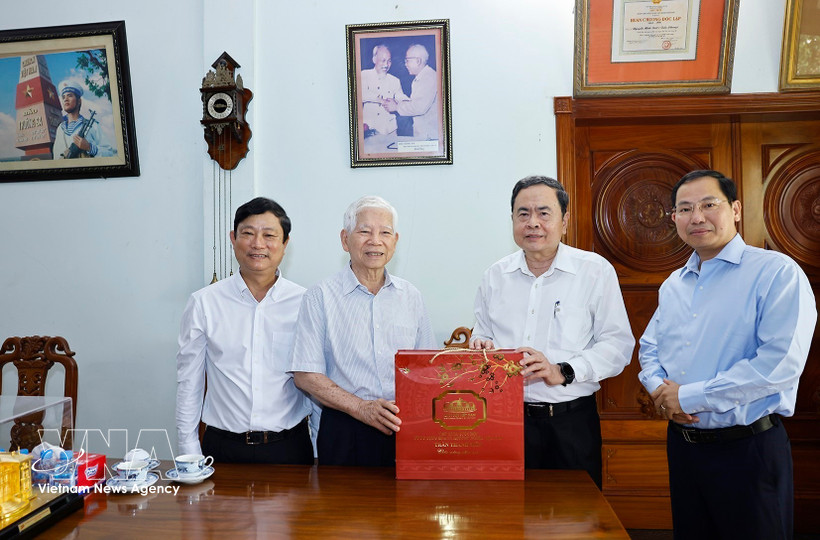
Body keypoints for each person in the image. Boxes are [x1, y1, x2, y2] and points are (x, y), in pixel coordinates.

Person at [639, 170, 816, 539]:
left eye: (708, 204)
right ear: (674, 218)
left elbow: (779, 365)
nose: (697, 217)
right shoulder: (674, 283)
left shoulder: (775, 272)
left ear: (735, 209)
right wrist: (662, 392)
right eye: (685, 208)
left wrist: (686, 396)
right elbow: (650, 347)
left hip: (748, 450)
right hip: (684, 447)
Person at [470, 175, 634, 488]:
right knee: (508, 517)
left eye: (544, 213)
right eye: (523, 214)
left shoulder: (594, 271)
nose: (533, 223)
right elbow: (483, 331)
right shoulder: (495, 275)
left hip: (570, 423)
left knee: (575, 520)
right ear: (513, 220)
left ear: (565, 221)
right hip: (504, 422)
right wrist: (482, 343)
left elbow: (617, 346)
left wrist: (562, 370)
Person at [290, 195, 436, 466]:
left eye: (385, 233)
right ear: (345, 240)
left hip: (405, 426)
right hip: (345, 427)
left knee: (406, 507)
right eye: (365, 231)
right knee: (345, 508)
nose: (375, 241)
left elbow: (428, 368)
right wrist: (361, 408)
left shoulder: (411, 296)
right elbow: (305, 375)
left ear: (395, 241)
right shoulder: (320, 296)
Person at [176, 197, 314, 464]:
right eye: (248, 234)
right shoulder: (204, 302)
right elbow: (189, 383)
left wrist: (320, 450)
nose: (258, 244)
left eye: (269, 235)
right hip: (222, 448)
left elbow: (316, 383)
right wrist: (189, 452)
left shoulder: (306, 303)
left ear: (285, 243)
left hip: (290, 449)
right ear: (233, 238)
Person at [382, 44, 439, 140]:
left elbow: (419, 107)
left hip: (430, 136)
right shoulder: (422, 77)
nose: (405, 64)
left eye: (407, 60)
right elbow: (416, 103)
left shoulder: (429, 78)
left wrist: (396, 107)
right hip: (425, 134)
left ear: (418, 61)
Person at [52, 81, 112, 159]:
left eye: (69, 96)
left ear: (79, 101)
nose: (65, 99)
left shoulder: (93, 125)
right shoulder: (61, 128)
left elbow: (109, 153)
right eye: (63, 97)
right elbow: (56, 158)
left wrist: (89, 147)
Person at [361, 45, 404, 137]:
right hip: (369, 129)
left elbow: (400, 97)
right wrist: (380, 100)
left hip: (390, 130)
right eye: (383, 60)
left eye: (389, 61)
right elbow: (361, 95)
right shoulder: (364, 75)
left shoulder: (395, 80)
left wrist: (409, 102)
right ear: (374, 59)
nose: (386, 65)